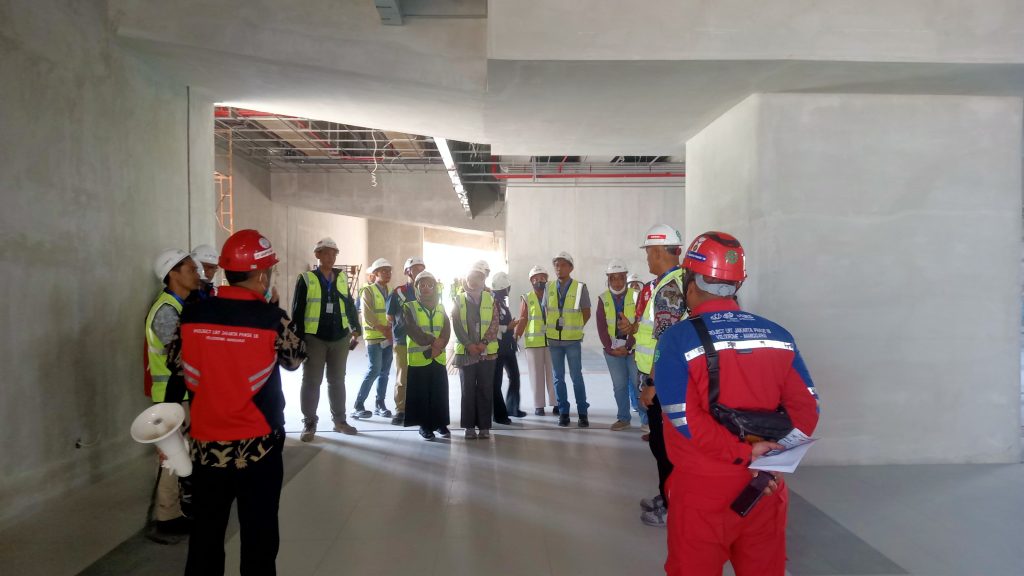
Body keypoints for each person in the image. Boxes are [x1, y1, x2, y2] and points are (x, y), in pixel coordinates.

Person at [656, 231, 820, 576]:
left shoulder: (677, 339)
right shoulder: (778, 335)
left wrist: (744, 454)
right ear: (736, 285)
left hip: (703, 490)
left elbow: (683, 418)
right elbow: (808, 409)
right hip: (765, 487)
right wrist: (772, 460)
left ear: (690, 282)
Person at [169, 229, 306, 575]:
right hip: (258, 447)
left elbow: (175, 362)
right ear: (262, 276)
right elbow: (294, 359)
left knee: (206, 533)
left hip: (206, 446)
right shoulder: (272, 319)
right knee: (259, 534)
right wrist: (272, 310)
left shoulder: (193, 314)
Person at [629, 224, 687, 528]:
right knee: (661, 443)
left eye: (648, 252)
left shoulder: (669, 289)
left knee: (665, 446)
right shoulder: (674, 281)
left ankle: (673, 504)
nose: (647, 258)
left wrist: (651, 384)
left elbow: (665, 342)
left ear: (657, 251)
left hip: (665, 381)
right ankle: (666, 494)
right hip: (669, 378)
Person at [144, 248, 200, 542]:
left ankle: (178, 508)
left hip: (182, 394)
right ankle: (167, 517)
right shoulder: (166, 310)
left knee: (183, 453)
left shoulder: (181, 305)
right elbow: (180, 356)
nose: (197, 273)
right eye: (190, 269)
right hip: (170, 395)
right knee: (171, 455)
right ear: (173, 274)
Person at [291, 237, 361, 441]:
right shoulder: (306, 279)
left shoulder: (341, 278)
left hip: (339, 336)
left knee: (337, 381)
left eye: (334, 254)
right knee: (312, 381)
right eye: (327, 253)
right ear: (318, 255)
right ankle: (309, 422)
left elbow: (349, 304)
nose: (331, 257)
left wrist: (355, 328)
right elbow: (298, 311)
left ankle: (340, 421)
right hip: (315, 338)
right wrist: (299, 339)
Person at [401, 270, 452, 440]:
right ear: (416, 288)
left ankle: (440, 423)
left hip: (438, 357)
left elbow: (446, 329)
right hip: (419, 358)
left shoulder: (441, 307)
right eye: (422, 285)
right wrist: (433, 342)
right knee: (421, 394)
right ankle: (424, 426)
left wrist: (440, 345)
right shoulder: (409, 307)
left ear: (435, 287)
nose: (426, 288)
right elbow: (412, 329)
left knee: (439, 392)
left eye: (430, 285)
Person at [451, 261, 499, 439]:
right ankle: (469, 427)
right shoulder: (458, 299)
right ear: (466, 279)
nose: (474, 281)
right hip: (466, 353)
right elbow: (456, 324)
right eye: (471, 278)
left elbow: (494, 323)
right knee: (468, 390)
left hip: (487, 353)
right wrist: (469, 345)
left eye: (478, 278)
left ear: (483, 280)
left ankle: (484, 426)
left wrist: (483, 343)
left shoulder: (490, 299)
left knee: (485, 389)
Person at [546, 251, 591, 427]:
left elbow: (586, 312)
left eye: (563, 265)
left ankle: (582, 413)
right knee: (558, 378)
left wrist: (575, 328)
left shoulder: (580, 287)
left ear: (571, 268)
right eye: (556, 265)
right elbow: (546, 310)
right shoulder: (549, 287)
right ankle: (563, 412)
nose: (559, 268)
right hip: (554, 341)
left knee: (576, 377)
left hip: (572, 341)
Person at [596, 259, 638, 431]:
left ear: (626, 277)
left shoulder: (636, 295)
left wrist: (627, 346)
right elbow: (601, 327)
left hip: (633, 350)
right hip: (612, 352)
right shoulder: (603, 298)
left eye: (621, 277)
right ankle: (623, 418)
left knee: (637, 384)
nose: (617, 282)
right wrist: (610, 349)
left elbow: (640, 323)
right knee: (619, 386)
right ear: (608, 279)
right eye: (613, 278)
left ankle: (646, 420)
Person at [386, 257, 426, 426]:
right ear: (407, 271)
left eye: (421, 269)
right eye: (415, 269)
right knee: (403, 376)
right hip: (402, 340)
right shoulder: (398, 292)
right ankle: (401, 410)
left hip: (421, 341)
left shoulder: (426, 291)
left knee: (421, 375)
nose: (419, 272)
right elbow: (389, 317)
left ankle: (418, 408)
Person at [353, 258, 394, 419]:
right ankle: (358, 405)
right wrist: (385, 331)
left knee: (384, 372)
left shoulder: (391, 291)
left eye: (389, 271)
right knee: (374, 370)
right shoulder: (368, 291)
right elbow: (368, 315)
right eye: (384, 271)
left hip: (388, 338)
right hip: (374, 338)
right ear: (375, 273)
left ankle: (380, 404)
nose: (387, 273)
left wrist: (391, 332)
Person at [514, 265, 558, 416]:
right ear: (531, 281)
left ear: (547, 279)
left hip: (552, 342)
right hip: (534, 344)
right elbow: (523, 319)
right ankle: (539, 406)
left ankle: (556, 403)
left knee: (554, 374)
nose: (539, 281)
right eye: (536, 278)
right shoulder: (527, 298)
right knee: (536, 375)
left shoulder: (553, 296)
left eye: (542, 278)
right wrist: (516, 336)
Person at [491, 271, 526, 420]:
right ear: (503, 288)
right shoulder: (492, 303)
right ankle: (498, 414)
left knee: (515, 377)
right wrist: (508, 327)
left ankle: (512, 408)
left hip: (508, 347)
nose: (508, 290)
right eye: (507, 288)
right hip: (497, 348)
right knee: (496, 381)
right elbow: (491, 326)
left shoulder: (502, 303)